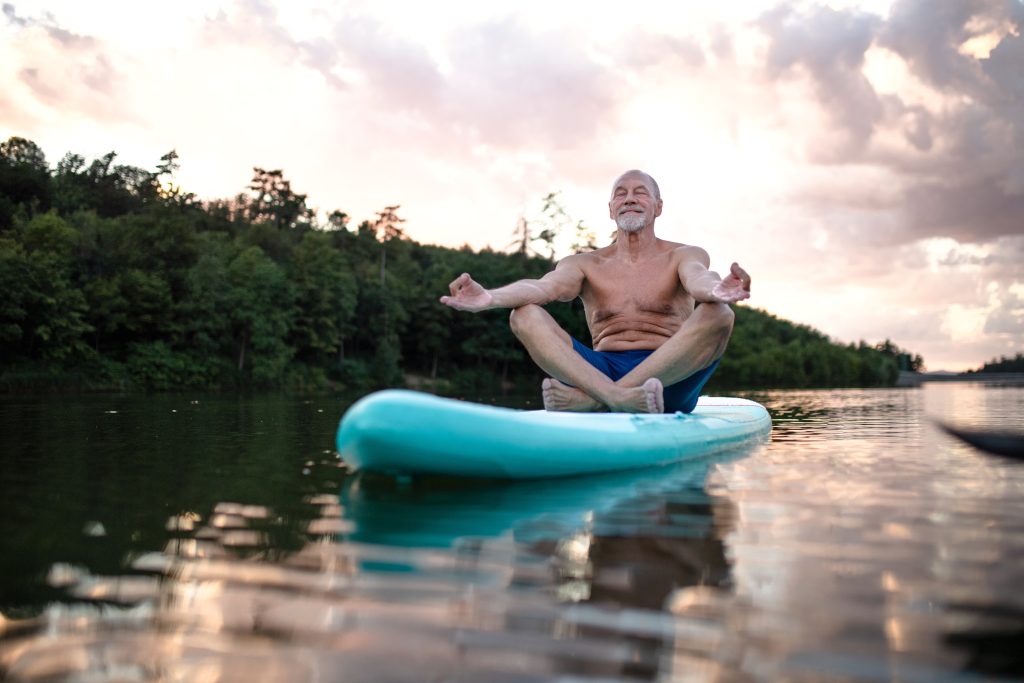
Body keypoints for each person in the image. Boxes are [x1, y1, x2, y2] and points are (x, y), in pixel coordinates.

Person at [440, 169, 751, 414]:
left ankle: (593, 402)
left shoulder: (683, 255)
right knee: (523, 315)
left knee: (719, 314)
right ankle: (615, 396)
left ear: (658, 207)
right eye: (620, 194)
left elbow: (699, 280)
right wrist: (490, 297)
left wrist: (717, 290)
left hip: (668, 378)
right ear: (611, 209)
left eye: (640, 192)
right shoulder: (584, 264)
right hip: (601, 371)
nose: (629, 199)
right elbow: (543, 287)